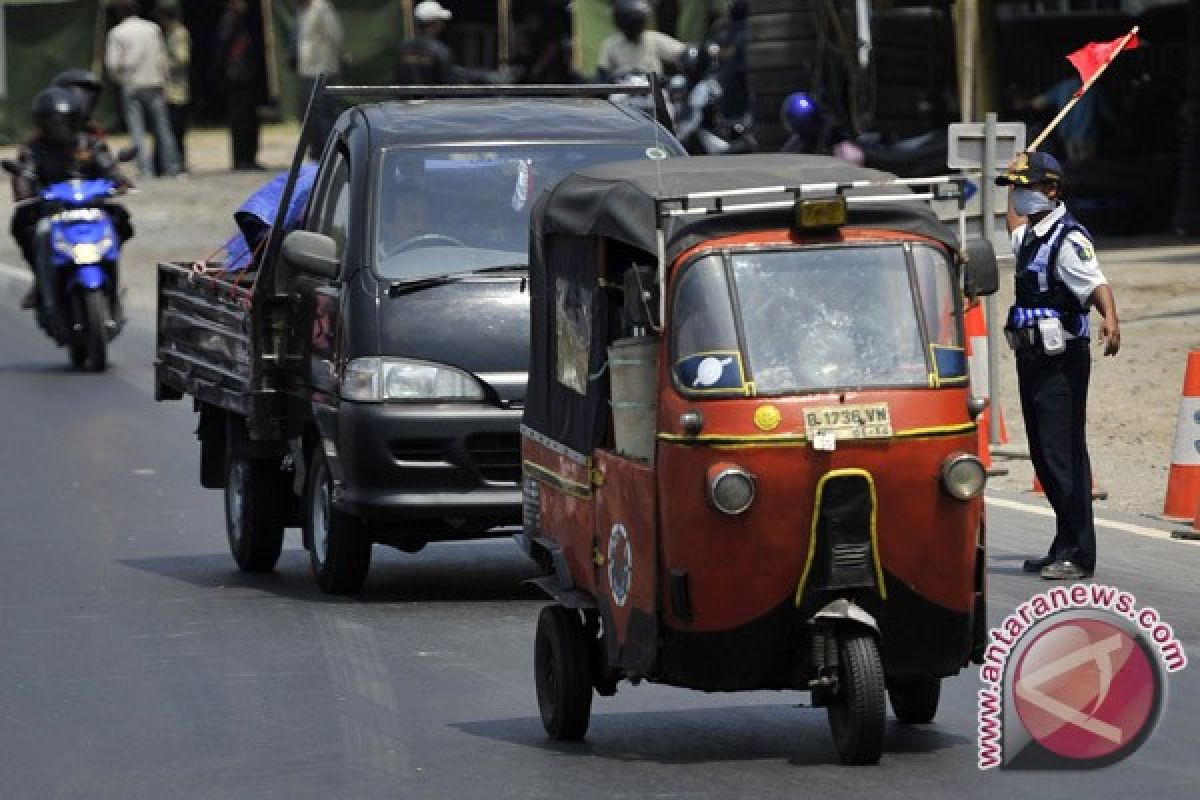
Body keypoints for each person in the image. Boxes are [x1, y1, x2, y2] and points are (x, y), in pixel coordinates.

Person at [998, 151, 1120, 581]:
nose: (1020, 198)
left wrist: (1111, 319)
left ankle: (1079, 552)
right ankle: (1062, 543)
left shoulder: (1068, 240)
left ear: (1051, 189)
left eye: (1027, 188)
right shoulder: (1030, 235)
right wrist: (1015, 175)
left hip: (1061, 364)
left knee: (1063, 452)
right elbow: (1011, 222)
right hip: (1033, 359)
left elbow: (1096, 283)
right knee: (1043, 454)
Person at [9, 88, 132, 309]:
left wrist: (119, 180)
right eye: (54, 123)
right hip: (51, 210)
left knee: (121, 219)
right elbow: (24, 174)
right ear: (43, 123)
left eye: (65, 122)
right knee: (27, 226)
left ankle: (110, 271)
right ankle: (40, 279)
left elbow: (108, 166)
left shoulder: (90, 143)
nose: (60, 128)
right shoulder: (33, 150)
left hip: (90, 206)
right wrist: (25, 189)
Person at [104, 0, 181, 177]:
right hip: (154, 82)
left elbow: (112, 64)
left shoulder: (117, 33)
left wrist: (120, 79)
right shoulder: (152, 29)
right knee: (163, 128)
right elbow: (162, 56)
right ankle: (173, 168)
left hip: (132, 84)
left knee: (137, 129)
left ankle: (145, 170)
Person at [214, 0, 263, 171]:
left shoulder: (243, 21)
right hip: (236, 77)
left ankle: (249, 158)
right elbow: (224, 47)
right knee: (240, 120)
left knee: (250, 120)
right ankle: (241, 159)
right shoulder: (229, 20)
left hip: (246, 75)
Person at [294, 0, 344, 160]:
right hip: (307, 69)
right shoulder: (302, 10)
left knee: (324, 113)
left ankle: (329, 151)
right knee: (308, 114)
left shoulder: (322, 8)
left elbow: (335, 35)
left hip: (322, 68)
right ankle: (316, 150)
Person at [596, 0, 686, 81]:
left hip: (654, 92)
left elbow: (683, 53)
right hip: (622, 93)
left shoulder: (653, 39)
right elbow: (602, 75)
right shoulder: (611, 44)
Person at [394, 1, 459, 85]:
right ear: (434, 23)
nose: (442, 25)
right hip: (434, 98)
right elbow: (448, 86)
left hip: (405, 98)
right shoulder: (441, 51)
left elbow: (397, 80)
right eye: (440, 21)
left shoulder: (402, 48)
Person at [160, 2, 191, 173]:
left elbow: (182, 58)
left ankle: (179, 164)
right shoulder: (170, 33)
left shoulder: (179, 34)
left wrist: (163, 62)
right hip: (170, 90)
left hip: (178, 91)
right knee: (171, 131)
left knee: (177, 131)